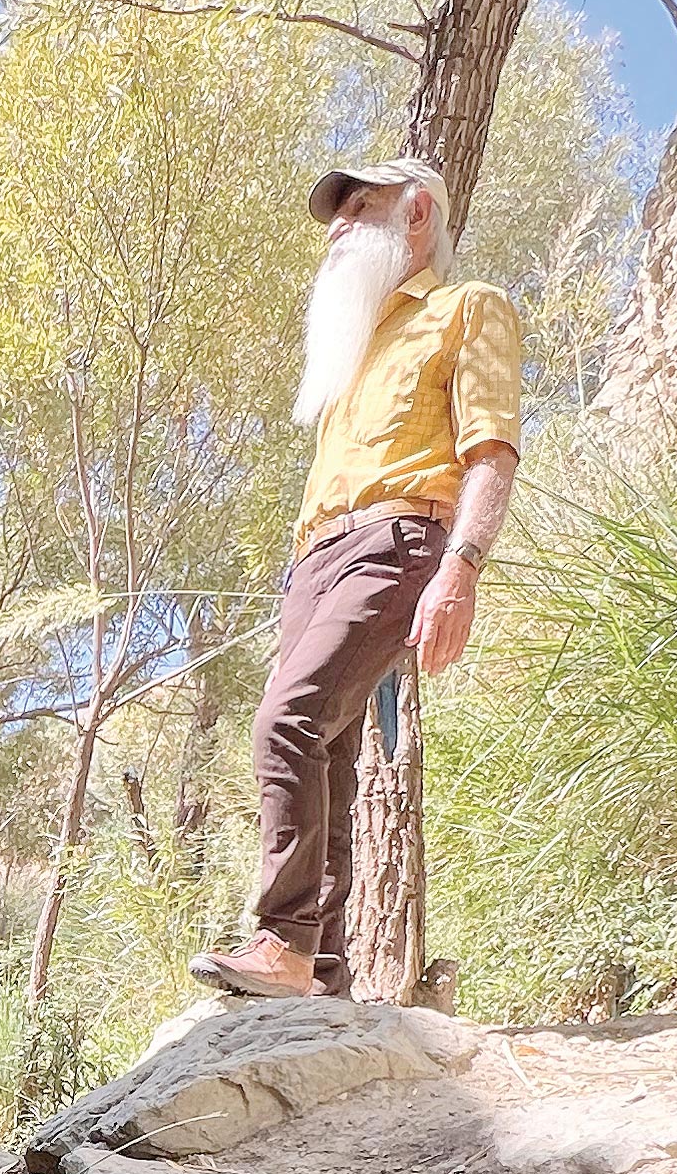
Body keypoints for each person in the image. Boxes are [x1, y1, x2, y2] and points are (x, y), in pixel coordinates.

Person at [191, 155, 520, 1001]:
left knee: (286, 720)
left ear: (417, 214)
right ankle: (322, 976)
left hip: (400, 541)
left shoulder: (466, 308)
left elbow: (489, 453)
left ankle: (282, 938)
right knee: (328, 751)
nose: (336, 229)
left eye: (358, 208)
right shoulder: (355, 345)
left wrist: (462, 568)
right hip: (314, 560)